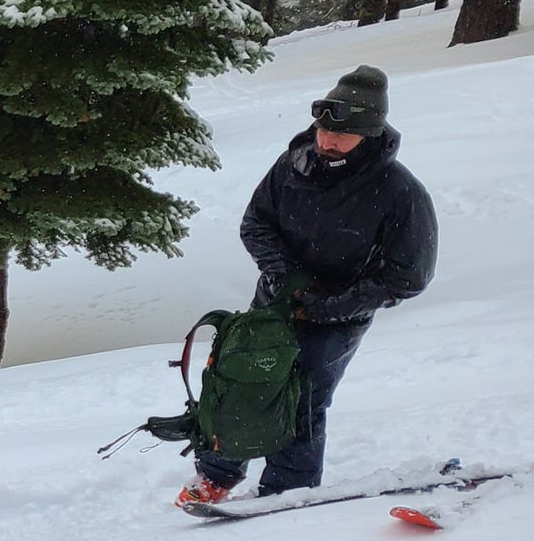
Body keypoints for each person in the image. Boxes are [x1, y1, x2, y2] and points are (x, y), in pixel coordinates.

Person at [178, 65, 437, 505]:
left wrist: (333, 304)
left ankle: (287, 489)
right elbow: (255, 223)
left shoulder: (399, 191)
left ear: (369, 135)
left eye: (342, 134)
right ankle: (217, 474)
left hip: (341, 313)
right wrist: (284, 276)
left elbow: (409, 275)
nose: (327, 141)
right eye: (323, 129)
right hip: (276, 299)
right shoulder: (293, 164)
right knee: (241, 377)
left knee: (304, 395)